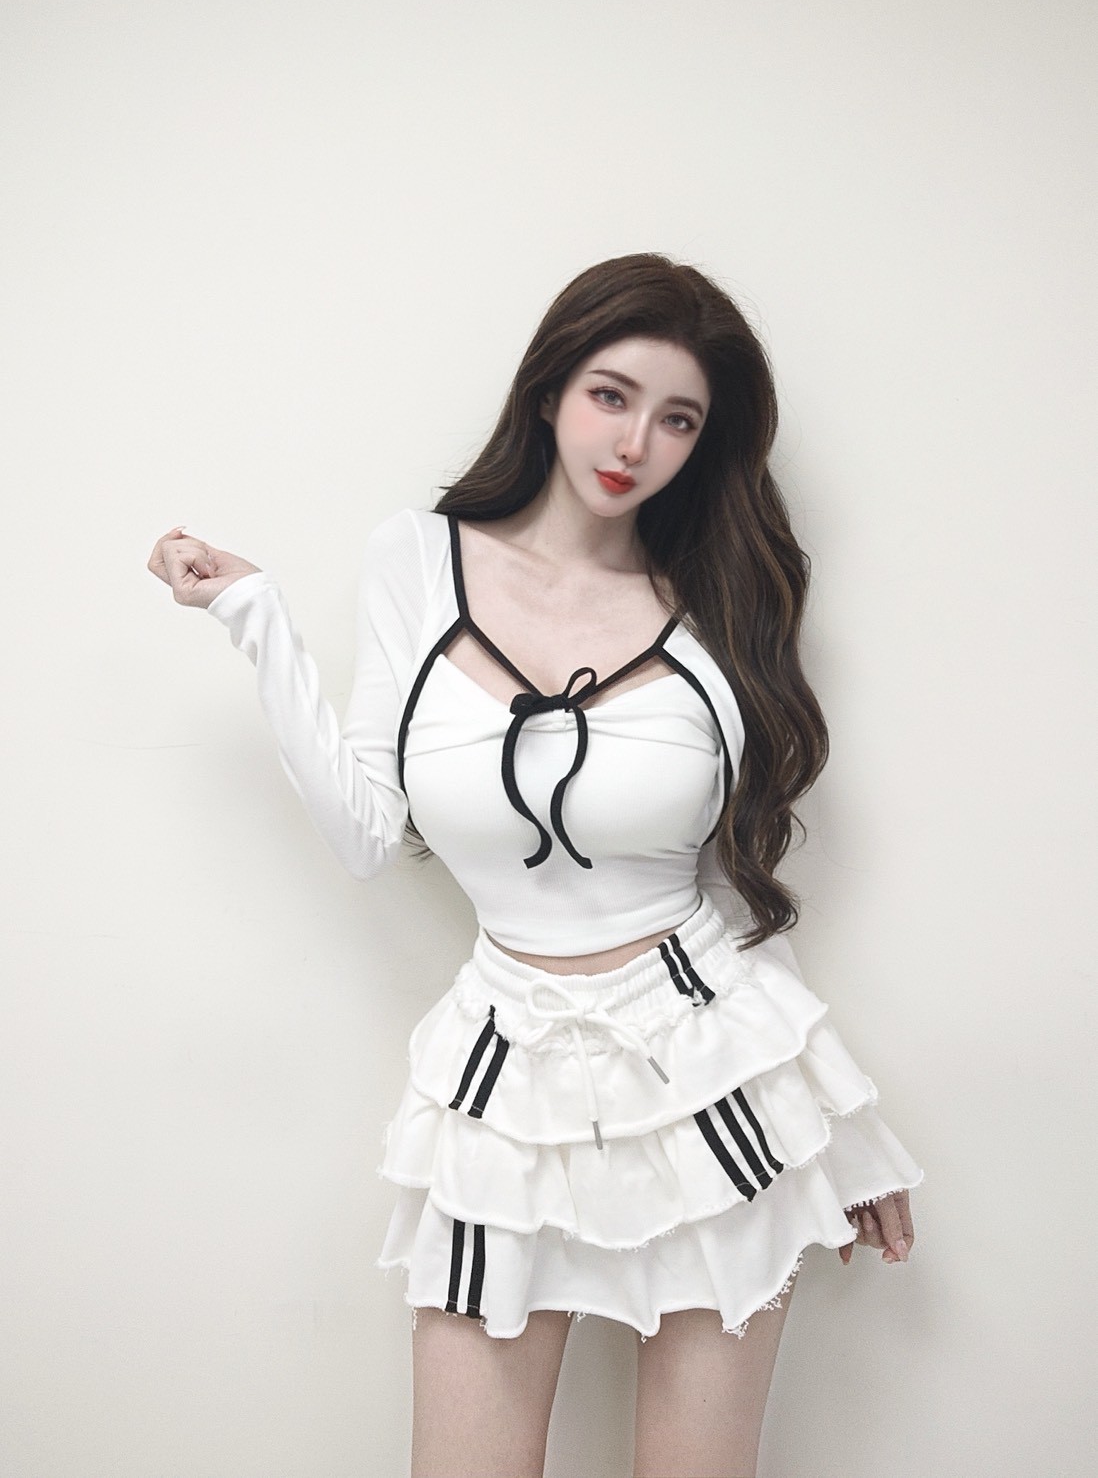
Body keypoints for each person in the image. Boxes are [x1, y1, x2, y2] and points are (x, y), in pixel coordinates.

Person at [148, 253, 920, 1478]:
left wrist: (850, 1126)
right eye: (613, 395)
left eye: (679, 418)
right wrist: (257, 619)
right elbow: (364, 833)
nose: (636, 442)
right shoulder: (419, 558)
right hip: (501, 1079)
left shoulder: (718, 598)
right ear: (552, 387)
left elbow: (725, 886)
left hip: (710, 1077)